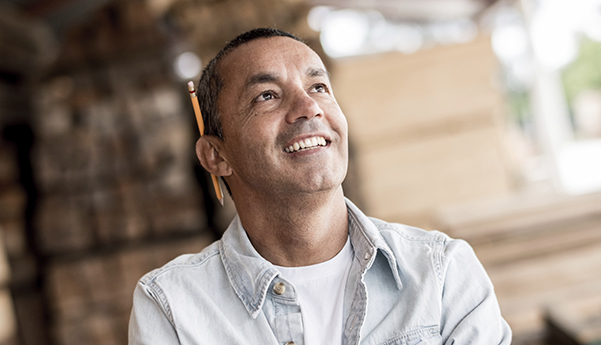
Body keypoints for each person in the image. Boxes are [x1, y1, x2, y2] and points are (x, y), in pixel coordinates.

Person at [128, 27, 512, 345]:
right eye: (267, 96)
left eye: (318, 87)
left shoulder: (443, 275)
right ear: (216, 156)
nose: (308, 108)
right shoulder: (173, 307)